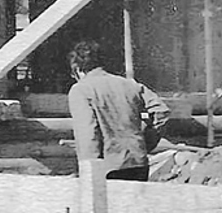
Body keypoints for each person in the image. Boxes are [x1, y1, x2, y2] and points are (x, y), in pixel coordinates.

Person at [67, 40, 170, 181]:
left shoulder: (81, 90)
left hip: (107, 166)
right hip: (137, 162)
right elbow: (159, 112)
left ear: (77, 69)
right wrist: (145, 141)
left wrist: (88, 171)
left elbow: (88, 132)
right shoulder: (130, 85)